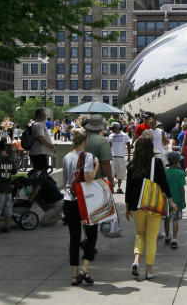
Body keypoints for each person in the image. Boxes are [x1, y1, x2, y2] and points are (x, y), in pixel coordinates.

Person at [125, 135, 177, 281]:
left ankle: (136, 260)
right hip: (152, 205)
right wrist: (171, 201)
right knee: (151, 237)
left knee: (140, 234)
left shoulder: (132, 165)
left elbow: (128, 188)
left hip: (136, 205)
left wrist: (128, 207)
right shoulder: (157, 163)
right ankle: (149, 269)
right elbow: (164, 184)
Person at [62, 129, 99, 286]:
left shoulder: (66, 157)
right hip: (85, 200)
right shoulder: (88, 156)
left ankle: (75, 274)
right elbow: (89, 178)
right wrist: (96, 166)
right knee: (92, 235)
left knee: (74, 238)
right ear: (85, 141)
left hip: (69, 200)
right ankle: (85, 268)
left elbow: (65, 180)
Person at [80, 114, 113, 278]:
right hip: (97, 182)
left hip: (80, 183)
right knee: (96, 217)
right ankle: (89, 245)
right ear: (101, 127)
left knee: (85, 216)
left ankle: (86, 238)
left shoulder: (81, 138)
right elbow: (106, 163)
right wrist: (111, 181)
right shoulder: (102, 141)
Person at [164, 152, 187, 249]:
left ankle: (167, 236)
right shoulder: (181, 173)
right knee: (175, 220)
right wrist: (184, 199)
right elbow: (182, 188)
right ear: (177, 161)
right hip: (177, 200)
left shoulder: (165, 172)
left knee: (166, 219)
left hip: (166, 200)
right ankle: (174, 239)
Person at [108, 121, 131, 194]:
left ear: (117, 128)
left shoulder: (124, 135)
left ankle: (119, 187)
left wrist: (129, 156)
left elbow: (128, 145)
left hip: (121, 156)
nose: (112, 130)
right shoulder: (111, 135)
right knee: (111, 173)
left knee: (120, 173)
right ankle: (111, 186)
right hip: (112, 156)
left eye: (113, 128)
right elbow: (109, 146)